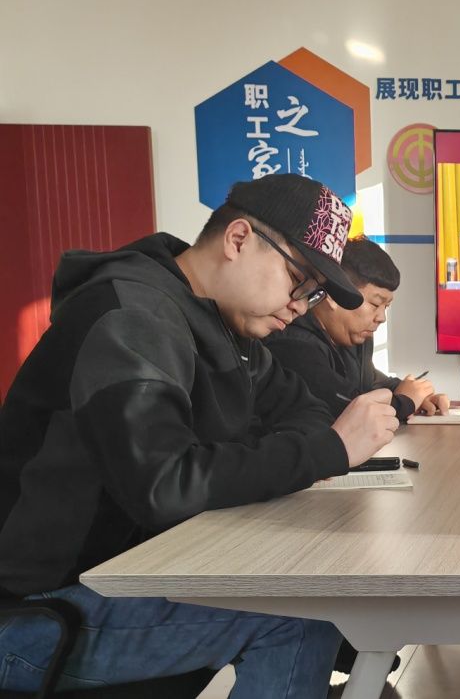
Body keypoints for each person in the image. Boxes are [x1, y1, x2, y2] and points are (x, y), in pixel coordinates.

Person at [0, 173, 399, 697]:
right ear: (238, 239)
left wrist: (307, 448)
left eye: (314, 293)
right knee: (299, 618)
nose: (301, 305)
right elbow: (165, 485)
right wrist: (328, 450)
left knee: (304, 587)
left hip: (127, 577)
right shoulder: (130, 318)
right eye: (298, 280)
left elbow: (304, 409)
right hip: (41, 613)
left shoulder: (227, 330)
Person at [265, 235, 450, 423]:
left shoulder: (353, 338)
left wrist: (416, 395)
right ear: (336, 295)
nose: (381, 318)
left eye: (386, 307)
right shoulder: (293, 342)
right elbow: (344, 408)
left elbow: (372, 382)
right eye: (375, 304)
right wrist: (404, 402)